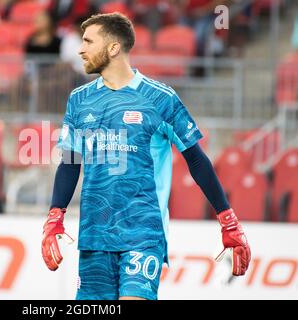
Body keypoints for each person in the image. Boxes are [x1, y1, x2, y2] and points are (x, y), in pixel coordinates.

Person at [41, 12, 251, 300]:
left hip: (143, 231)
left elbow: (197, 160)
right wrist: (55, 216)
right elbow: (69, 161)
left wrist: (227, 219)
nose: (81, 48)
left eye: (89, 41)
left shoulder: (160, 99)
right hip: (94, 235)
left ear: (113, 48)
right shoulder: (79, 100)